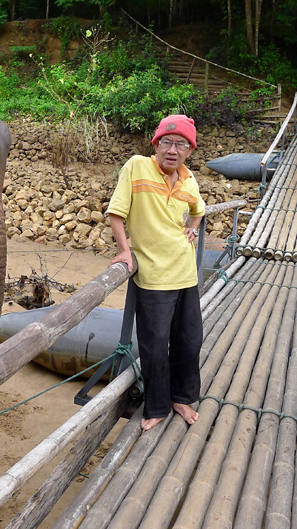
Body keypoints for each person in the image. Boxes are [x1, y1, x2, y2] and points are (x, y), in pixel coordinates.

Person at [106, 114, 206, 431]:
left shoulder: (189, 180)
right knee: (154, 346)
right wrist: (125, 251)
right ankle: (158, 405)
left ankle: (181, 397)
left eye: (181, 144)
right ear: (156, 144)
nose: (172, 150)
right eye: (167, 142)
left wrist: (191, 229)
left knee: (189, 342)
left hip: (186, 273)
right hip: (152, 277)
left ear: (189, 150)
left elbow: (199, 211)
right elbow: (116, 213)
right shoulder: (137, 167)